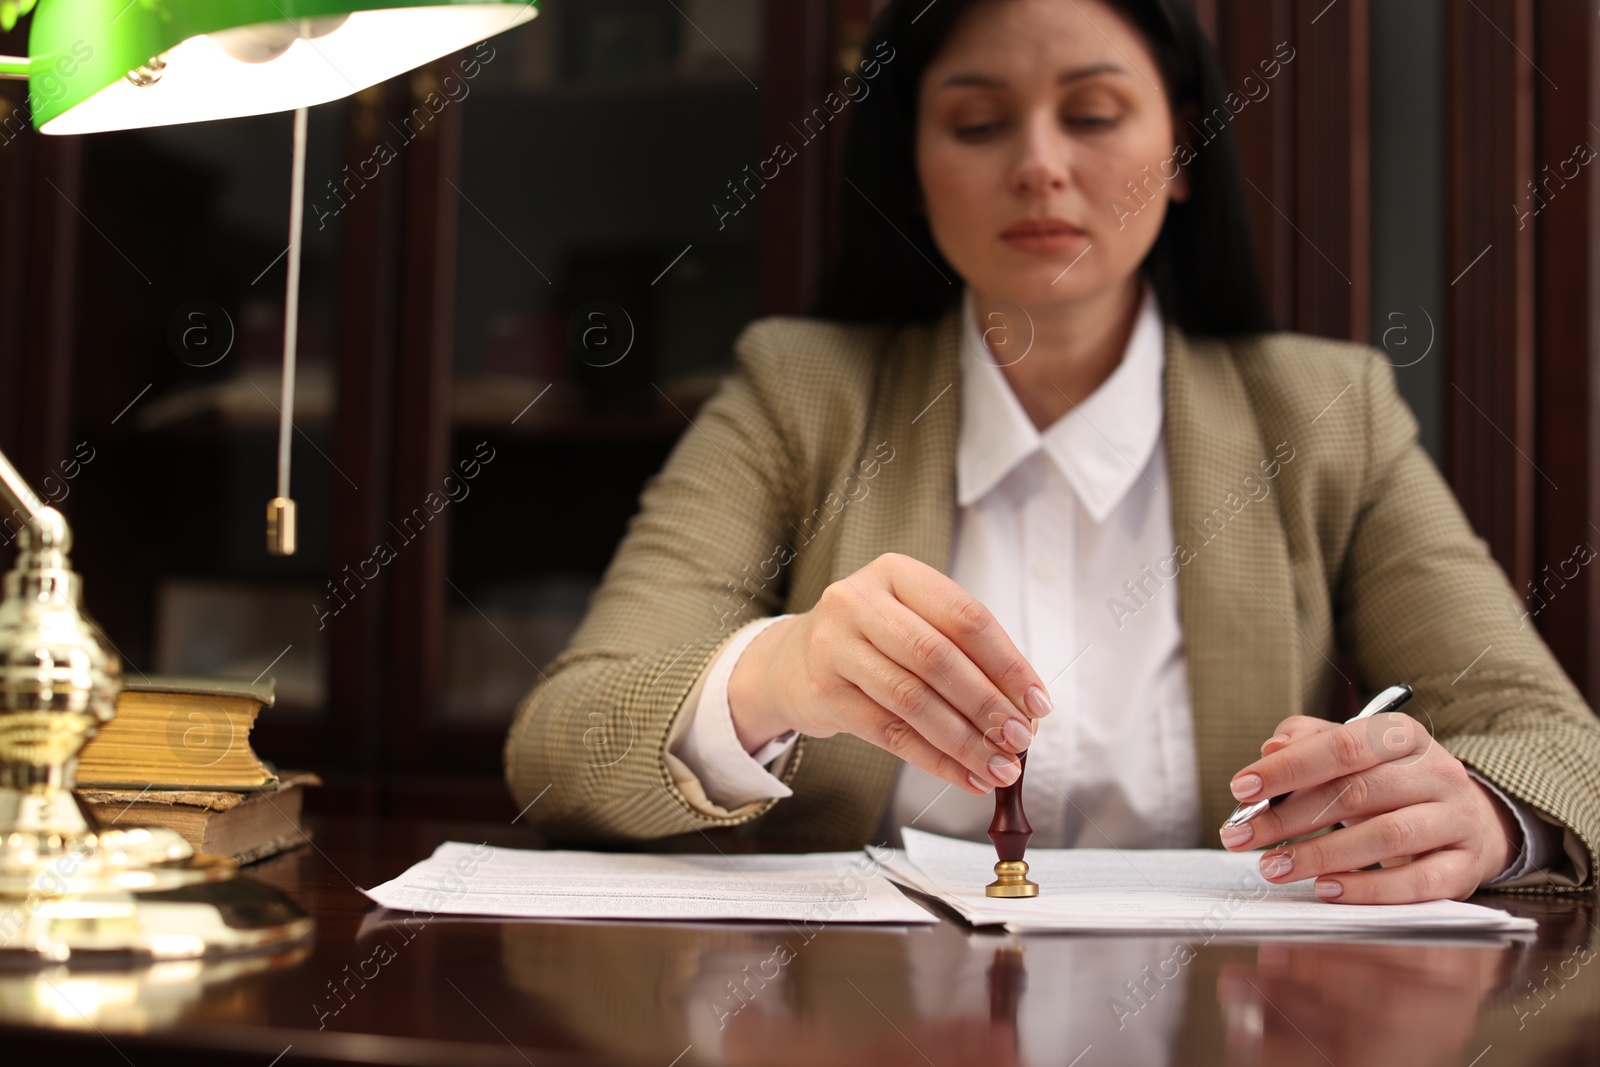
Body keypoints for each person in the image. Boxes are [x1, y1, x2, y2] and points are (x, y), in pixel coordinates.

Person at [505, 0, 1600, 903]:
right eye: (978, 124)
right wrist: (777, 675)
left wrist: (1488, 816)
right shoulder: (801, 391)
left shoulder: (1324, 410)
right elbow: (559, 746)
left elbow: (1559, 744)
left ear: (1180, 154)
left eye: (1093, 113)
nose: (1038, 165)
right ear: (915, 165)